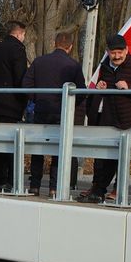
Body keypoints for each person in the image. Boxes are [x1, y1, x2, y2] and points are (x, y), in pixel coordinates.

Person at [81, 34, 131, 207]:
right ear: (107, 52)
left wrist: (130, 87)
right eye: (113, 53)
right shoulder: (105, 67)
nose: (117, 56)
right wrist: (101, 87)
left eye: (120, 52)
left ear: (126, 50)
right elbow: (104, 87)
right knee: (109, 157)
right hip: (113, 120)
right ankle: (99, 190)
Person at [23, 32, 87, 197]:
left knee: (38, 149)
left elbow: (27, 84)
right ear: (70, 47)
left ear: (54, 43)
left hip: (41, 110)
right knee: (58, 150)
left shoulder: (39, 61)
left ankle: (35, 185)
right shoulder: (73, 65)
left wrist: (38, 99)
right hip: (62, 112)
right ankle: (53, 187)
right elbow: (81, 91)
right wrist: (71, 104)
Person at [0, 21, 29, 192]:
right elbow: (20, 77)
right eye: (23, 35)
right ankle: (3, 180)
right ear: (19, 34)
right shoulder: (18, 50)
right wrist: (24, 98)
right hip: (10, 103)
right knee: (7, 143)